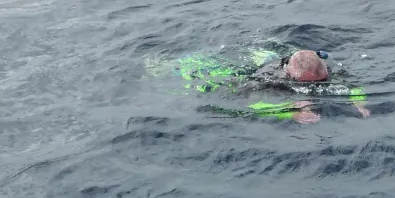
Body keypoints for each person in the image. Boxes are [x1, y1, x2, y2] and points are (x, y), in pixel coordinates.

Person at [144, 44, 370, 123]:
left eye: (321, 81)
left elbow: (353, 87)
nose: (318, 86)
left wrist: (359, 103)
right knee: (216, 83)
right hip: (255, 73)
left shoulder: (326, 72)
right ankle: (165, 66)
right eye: (308, 83)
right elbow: (252, 105)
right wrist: (288, 111)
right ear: (290, 73)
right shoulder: (270, 80)